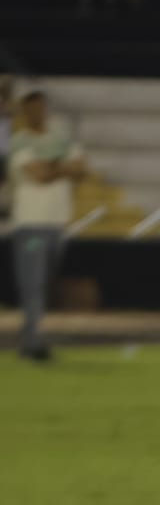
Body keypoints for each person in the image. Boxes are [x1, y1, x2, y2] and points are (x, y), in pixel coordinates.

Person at [7, 85, 90, 362]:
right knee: (33, 285)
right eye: (30, 107)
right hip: (31, 222)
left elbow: (81, 170)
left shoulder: (61, 137)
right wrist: (62, 166)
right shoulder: (19, 141)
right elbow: (40, 174)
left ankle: (31, 338)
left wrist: (54, 167)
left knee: (43, 285)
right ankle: (33, 343)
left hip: (57, 221)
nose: (36, 111)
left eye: (39, 106)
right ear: (24, 111)